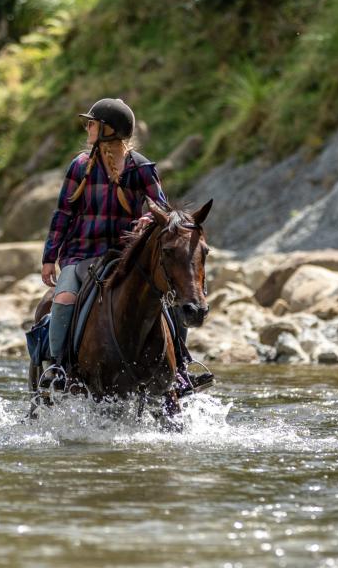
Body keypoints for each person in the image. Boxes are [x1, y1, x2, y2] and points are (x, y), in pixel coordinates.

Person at [40, 98, 210, 392]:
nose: (88, 127)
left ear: (108, 130)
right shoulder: (79, 167)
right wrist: (49, 258)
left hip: (126, 253)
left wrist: (147, 218)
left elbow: (160, 206)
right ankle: (59, 367)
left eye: (92, 123)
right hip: (81, 253)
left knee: (170, 297)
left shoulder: (141, 167)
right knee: (64, 298)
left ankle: (181, 366)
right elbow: (63, 214)